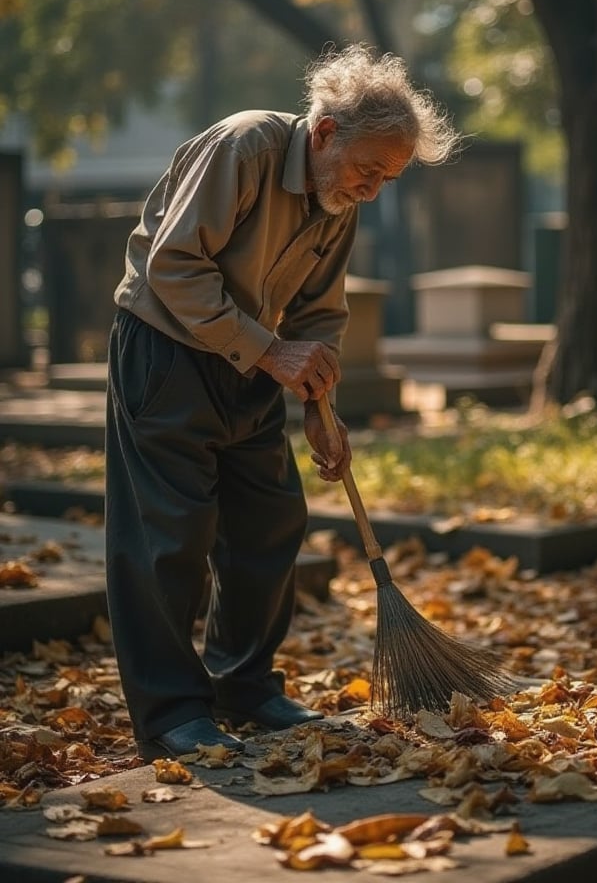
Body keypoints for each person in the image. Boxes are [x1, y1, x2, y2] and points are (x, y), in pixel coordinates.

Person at [104, 43, 459, 761]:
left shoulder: (338, 196)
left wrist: (320, 409)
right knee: (169, 536)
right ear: (326, 133)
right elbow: (175, 265)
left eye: (387, 180)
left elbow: (319, 315)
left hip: (252, 363)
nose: (372, 191)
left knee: (271, 520)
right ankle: (171, 710)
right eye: (370, 171)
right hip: (167, 351)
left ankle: (244, 682)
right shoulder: (246, 145)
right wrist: (272, 352)